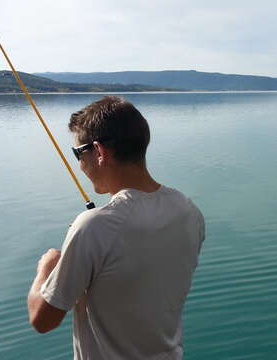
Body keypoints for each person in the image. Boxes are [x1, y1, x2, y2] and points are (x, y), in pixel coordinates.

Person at [27, 96, 205, 360]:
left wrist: (47, 266)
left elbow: (43, 320)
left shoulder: (94, 227)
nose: (79, 164)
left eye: (78, 153)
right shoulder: (188, 211)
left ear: (99, 152)